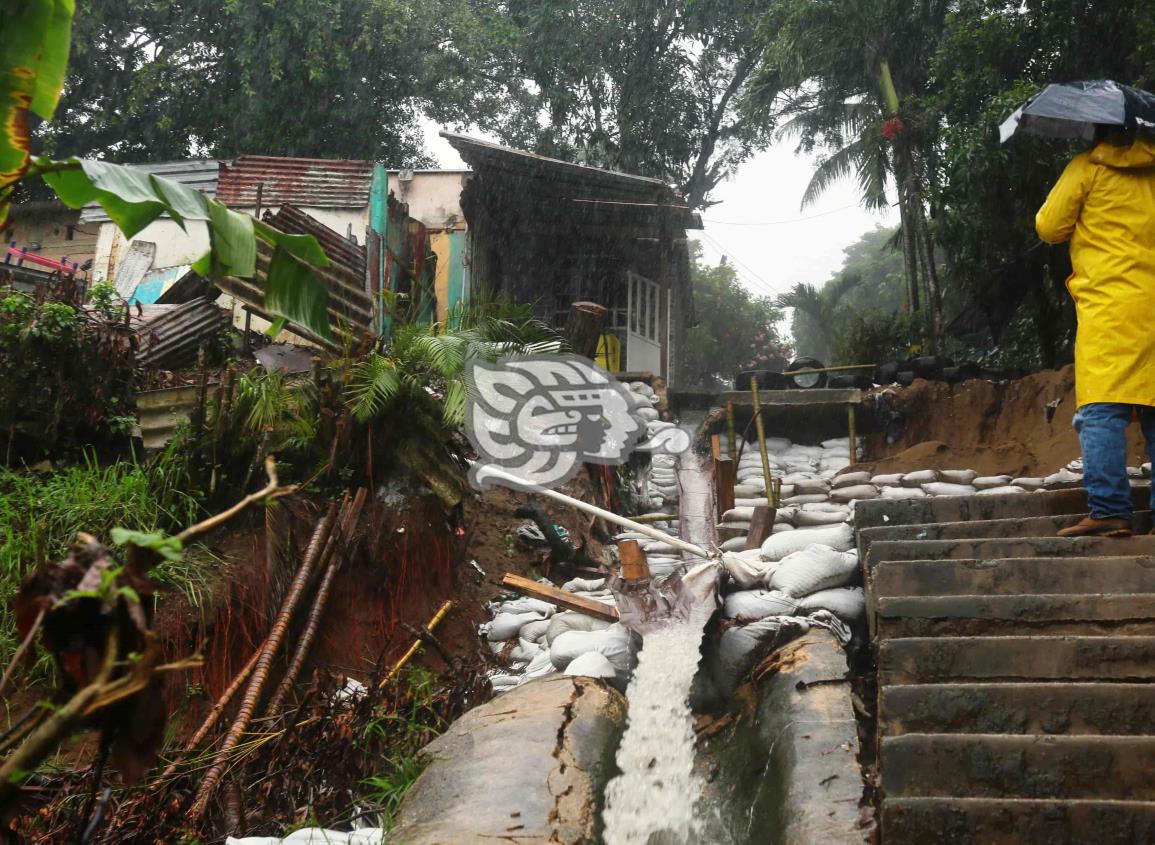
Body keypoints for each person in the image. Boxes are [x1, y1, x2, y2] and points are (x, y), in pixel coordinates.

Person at [1036, 125, 1155, 537]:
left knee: (1101, 411)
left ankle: (1109, 510)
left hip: (1110, 306)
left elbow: (1049, 227)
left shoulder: (1087, 167)